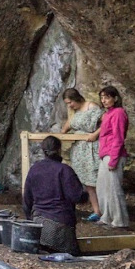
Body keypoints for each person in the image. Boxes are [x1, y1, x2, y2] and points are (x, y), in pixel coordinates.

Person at [23, 135, 88, 255]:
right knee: (71, 257)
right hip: (60, 226)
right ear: (59, 150)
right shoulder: (64, 170)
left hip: (38, 225)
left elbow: (27, 200)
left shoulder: (34, 169)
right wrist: (87, 194)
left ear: (43, 151)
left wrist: (31, 222)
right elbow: (76, 196)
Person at [85, 85, 130, 228]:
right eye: (102, 97)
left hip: (113, 155)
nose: (104, 100)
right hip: (105, 154)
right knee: (103, 187)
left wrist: (114, 159)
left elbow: (118, 137)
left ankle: (119, 221)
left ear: (115, 98)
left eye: (107, 97)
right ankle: (107, 217)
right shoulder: (109, 114)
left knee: (113, 188)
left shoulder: (118, 113)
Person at [60, 88, 103, 222]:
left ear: (76, 98)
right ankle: (97, 211)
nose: (69, 105)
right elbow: (70, 123)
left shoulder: (91, 106)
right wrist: (62, 133)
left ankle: (107, 210)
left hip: (92, 147)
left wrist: (94, 135)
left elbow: (105, 123)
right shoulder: (75, 112)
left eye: (70, 102)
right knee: (87, 182)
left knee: (96, 179)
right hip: (79, 149)